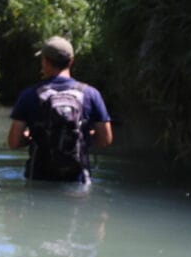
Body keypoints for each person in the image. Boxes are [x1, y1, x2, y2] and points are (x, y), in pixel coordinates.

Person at [7, 36, 113, 183]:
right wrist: (80, 136)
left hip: (39, 179)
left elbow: (13, 142)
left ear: (44, 61)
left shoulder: (29, 95)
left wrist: (33, 136)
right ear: (71, 61)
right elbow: (105, 140)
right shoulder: (91, 94)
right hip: (78, 180)